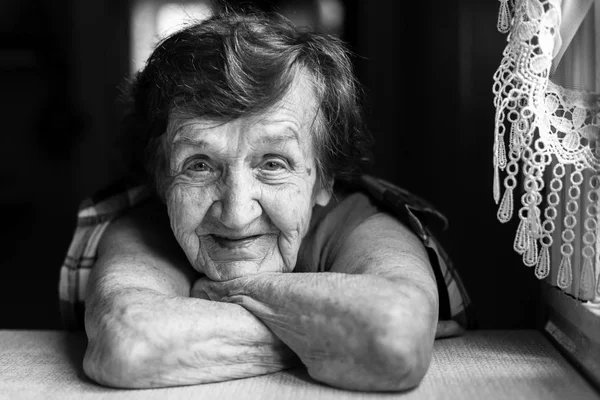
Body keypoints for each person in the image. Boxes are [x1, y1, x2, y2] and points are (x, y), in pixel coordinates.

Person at [60, 7, 472, 392]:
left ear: (324, 179)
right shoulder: (143, 227)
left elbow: (392, 337)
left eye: (273, 164)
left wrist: (211, 304)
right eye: (200, 165)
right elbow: (131, 345)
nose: (237, 215)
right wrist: (336, 333)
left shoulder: (364, 225)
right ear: (162, 178)